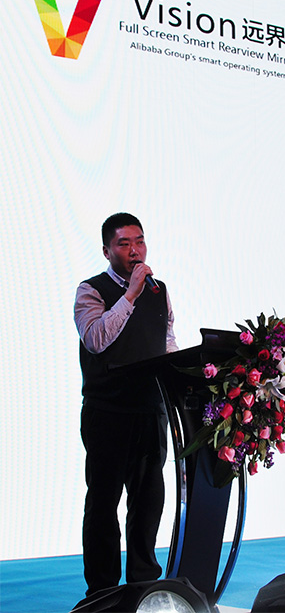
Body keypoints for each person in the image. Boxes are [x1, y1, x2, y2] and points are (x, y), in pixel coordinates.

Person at [74, 212, 178, 596]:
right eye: (124, 243)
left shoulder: (159, 290)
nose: (135, 251)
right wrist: (130, 294)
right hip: (108, 412)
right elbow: (96, 338)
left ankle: (143, 583)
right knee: (103, 504)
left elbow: (167, 341)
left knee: (148, 503)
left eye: (139, 241)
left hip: (151, 410)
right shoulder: (91, 290)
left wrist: (184, 375)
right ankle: (102, 591)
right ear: (107, 251)